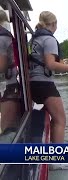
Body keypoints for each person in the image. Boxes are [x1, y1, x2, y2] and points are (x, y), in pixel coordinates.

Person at [29, 11, 68, 170]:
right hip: (44, 83)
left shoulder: (34, 39)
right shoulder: (49, 39)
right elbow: (51, 65)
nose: (56, 27)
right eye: (56, 24)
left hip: (33, 83)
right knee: (60, 119)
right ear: (52, 24)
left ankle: (52, 155)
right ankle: (57, 160)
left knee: (54, 118)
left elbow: (39, 61)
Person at [0, 10, 21, 142]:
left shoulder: (1, 38)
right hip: (12, 85)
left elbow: (1, 67)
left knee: (7, 129)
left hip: (9, 88)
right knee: (10, 128)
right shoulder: (7, 36)